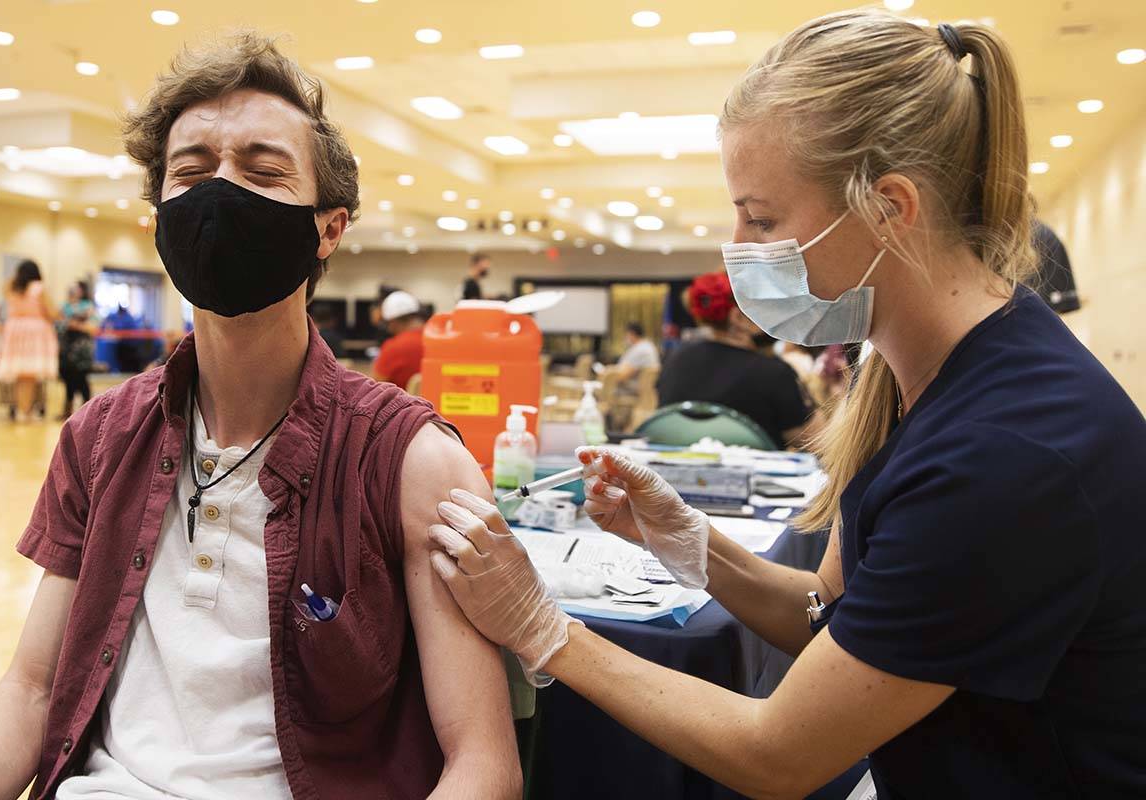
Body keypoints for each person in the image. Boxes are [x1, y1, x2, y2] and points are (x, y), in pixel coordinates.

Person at [425, 13, 1146, 800]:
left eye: (762, 220)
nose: (737, 246)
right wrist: (695, 544)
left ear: (890, 208)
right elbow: (829, 614)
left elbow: (777, 754)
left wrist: (542, 627)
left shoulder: (1004, 454)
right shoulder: (927, 372)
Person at [0, 32, 519, 800]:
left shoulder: (412, 461)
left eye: (263, 171)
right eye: (191, 171)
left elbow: (482, 765)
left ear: (329, 227)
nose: (219, 192)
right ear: (159, 213)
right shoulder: (99, 437)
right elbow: (30, 692)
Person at [658, 271, 819, 448]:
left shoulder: (673, 360)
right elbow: (815, 441)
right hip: (756, 473)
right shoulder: (773, 372)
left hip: (676, 471)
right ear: (738, 317)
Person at [0, 260, 59, 420]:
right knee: (29, 375)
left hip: (14, 330)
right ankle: (26, 412)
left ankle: (21, 410)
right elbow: (53, 313)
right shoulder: (39, 288)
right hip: (34, 332)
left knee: (19, 374)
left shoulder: (11, 287)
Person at [57, 281, 97, 421]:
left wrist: (76, 325)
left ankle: (89, 411)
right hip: (66, 349)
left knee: (82, 380)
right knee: (68, 380)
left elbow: (93, 327)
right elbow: (59, 324)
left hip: (82, 350)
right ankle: (67, 410)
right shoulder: (64, 306)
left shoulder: (88, 306)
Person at [373, 290, 425, 391]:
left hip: (404, 406)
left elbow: (375, 391)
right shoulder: (439, 342)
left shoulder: (393, 347)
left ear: (393, 322)